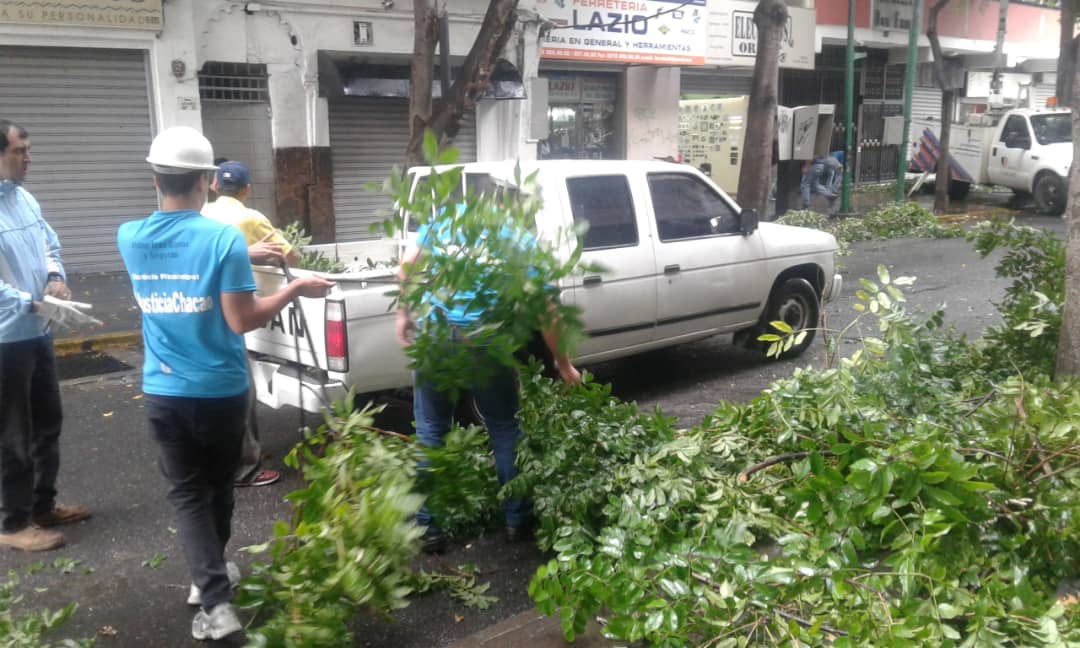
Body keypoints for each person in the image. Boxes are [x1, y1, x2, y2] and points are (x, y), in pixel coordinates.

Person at [118, 126, 333, 642]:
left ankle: (207, 584)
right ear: (207, 180)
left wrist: (247, 258)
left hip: (164, 392)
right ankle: (215, 597)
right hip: (219, 391)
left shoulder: (129, 236)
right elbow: (243, 320)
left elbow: (185, 263)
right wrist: (297, 287)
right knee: (216, 488)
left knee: (188, 493)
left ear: (154, 179)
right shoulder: (222, 240)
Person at [395, 193, 581, 553]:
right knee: (504, 427)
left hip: (436, 337)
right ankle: (517, 521)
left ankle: (428, 529)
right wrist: (562, 364)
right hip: (484, 342)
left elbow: (406, 266)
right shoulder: (519, 239)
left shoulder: (448, 218)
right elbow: (546, 311)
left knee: (432, 429)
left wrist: (404, 314)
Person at [0, 119, 94, 553]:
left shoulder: (25, 199)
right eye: (20, 150)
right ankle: (12, 523)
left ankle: (42, 506)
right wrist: (29, 301)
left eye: (28, 149)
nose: (28, 157)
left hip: (38, 331)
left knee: (47, 425)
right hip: (6, 339)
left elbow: (48, 247)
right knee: (12, 435)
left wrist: (55, 279)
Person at [202, 160, 296, 488]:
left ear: (213, 186)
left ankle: (214, 461)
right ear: (247, 190)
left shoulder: (201, 214)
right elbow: (291, 256)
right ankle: (244, 469)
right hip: (237, 308)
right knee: (241, 390)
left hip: (204, 308)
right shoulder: (251, 218)